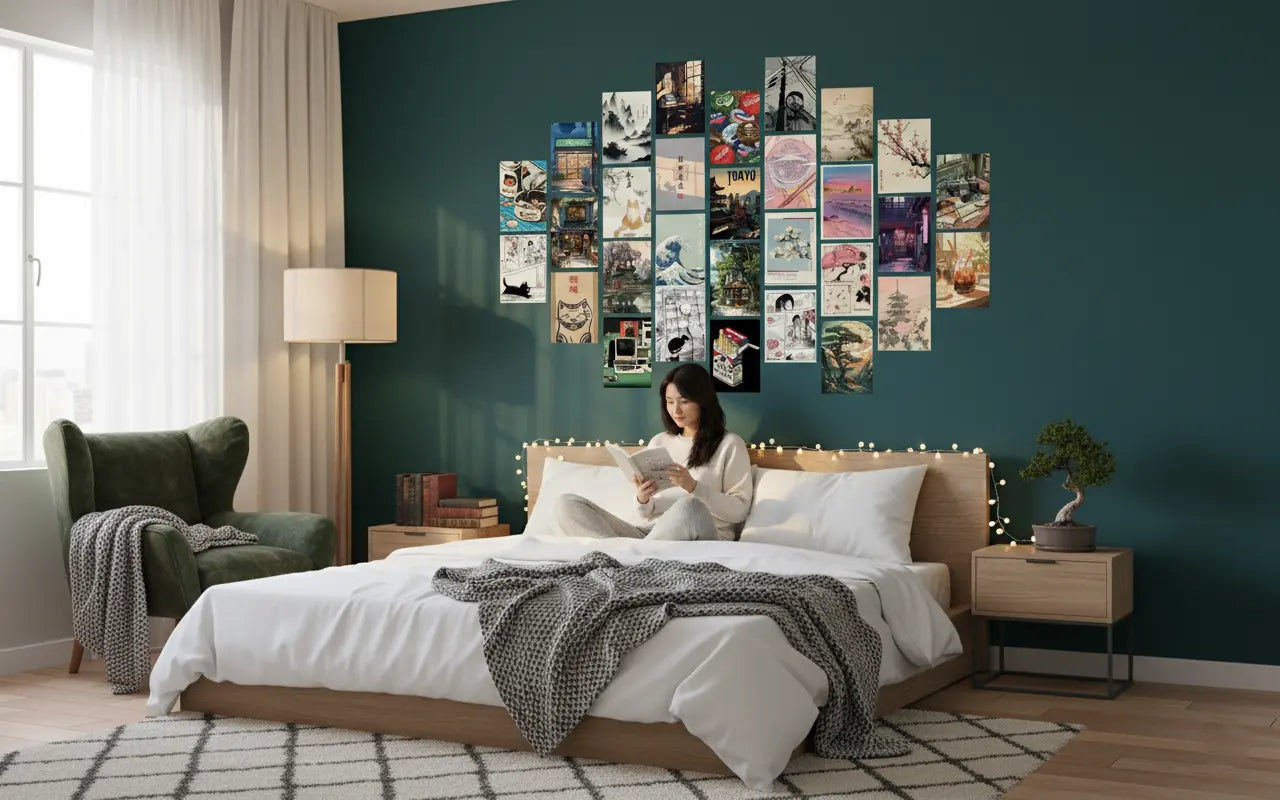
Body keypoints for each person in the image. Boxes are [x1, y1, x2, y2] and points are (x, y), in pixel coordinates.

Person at [553, 364, 753, 541]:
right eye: (669, 401)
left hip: (701, 535)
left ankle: (628, 559)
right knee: (566, 504)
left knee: (690, 507)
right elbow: (646, 513)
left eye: (683, 401)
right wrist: (642, 498)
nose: (676, 410)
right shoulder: (659, 441)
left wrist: (693, 487)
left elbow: (739, 511)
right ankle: (625, 558)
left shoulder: (730, 444)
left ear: (703, 401)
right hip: (652, 534)